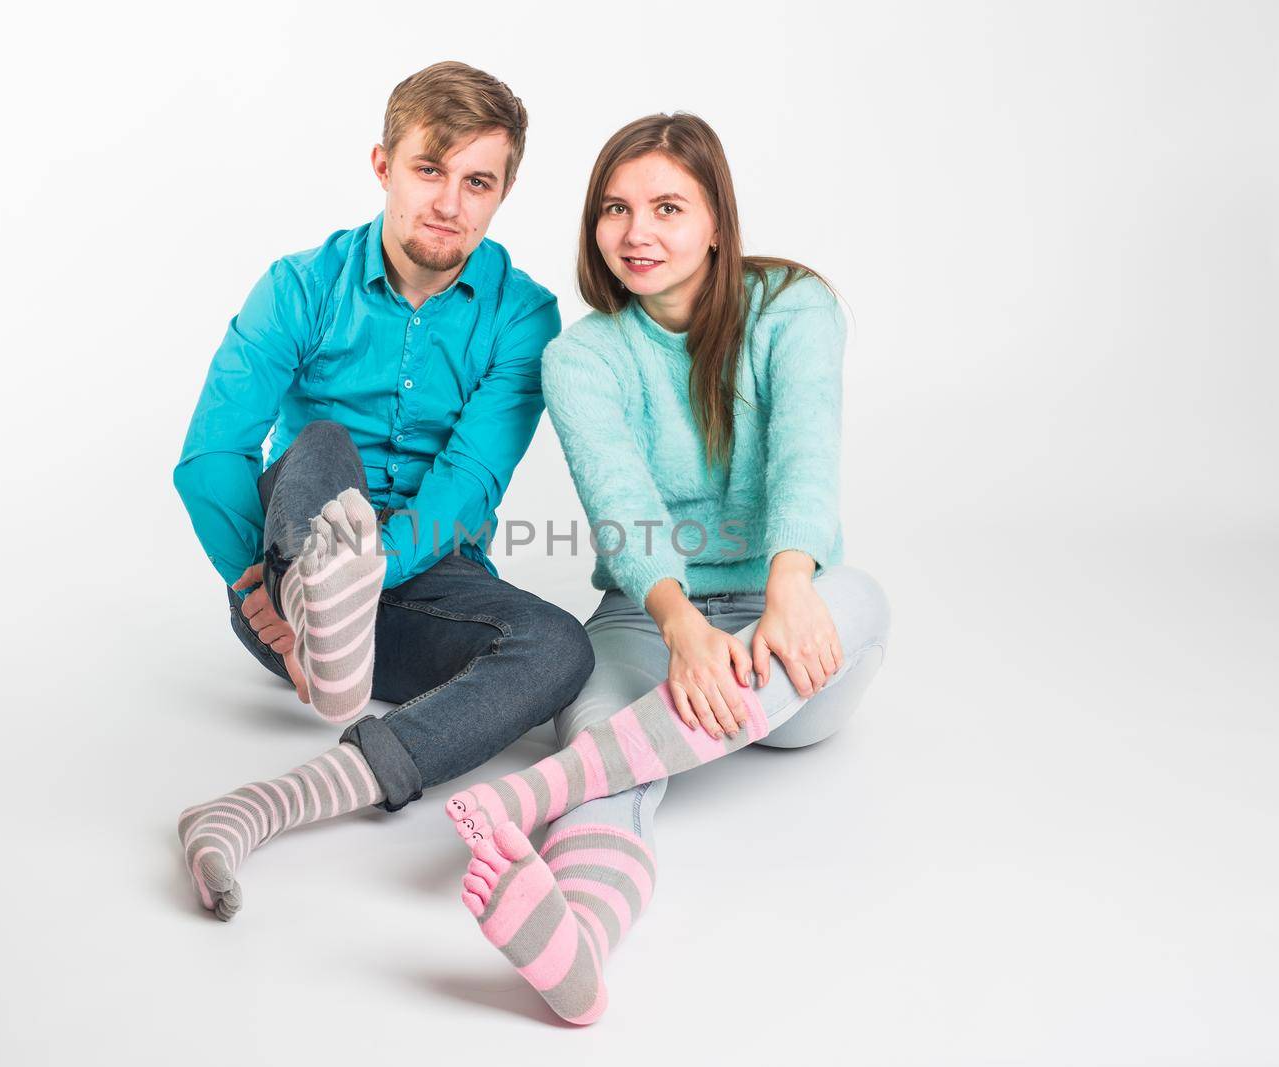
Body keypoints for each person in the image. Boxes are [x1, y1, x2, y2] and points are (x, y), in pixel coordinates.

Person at [441, 113, 892, 1023]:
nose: (635, 232)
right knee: (600, 724)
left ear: (718, 220)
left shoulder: (795, 306)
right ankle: (580, 946)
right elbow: (620, 501)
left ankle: (538, 791)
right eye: (614, 208)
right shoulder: (582, 355)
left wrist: (790, 584)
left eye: (666, 207)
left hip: (785, 611)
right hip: (651, 619)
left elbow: (806, 451)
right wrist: (682, 628)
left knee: (863, 598)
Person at [171, 62, 594, 922]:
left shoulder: (523, 316)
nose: (449, 202)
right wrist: (262, 586)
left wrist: (370, 573)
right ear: (383, 166)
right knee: (325, 447)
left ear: (503, 192)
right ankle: (324, 623)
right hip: (288, 581)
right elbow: (211, 452)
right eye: (429, 170)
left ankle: (254, 806)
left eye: (477, 182)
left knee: (560, 650)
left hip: (426, 576)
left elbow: (470, 483)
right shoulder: (299, 286)